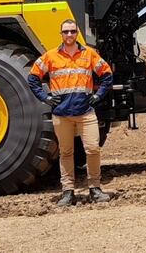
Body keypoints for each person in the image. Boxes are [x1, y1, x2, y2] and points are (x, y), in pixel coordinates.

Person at [27, 19, 114, 206]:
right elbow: (33, 78)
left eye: (72, 31)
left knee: (92, 149)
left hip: (86, 112)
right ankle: (68, 192)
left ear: (77, 33)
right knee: (66, 153)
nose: (69, 35)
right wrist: (45, 98)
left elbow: (107, 75)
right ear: (61, 34)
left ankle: (95, 189)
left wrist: (98, 96)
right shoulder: (50, 56)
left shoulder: (89, 54)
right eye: (65, 32)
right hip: (61, 114)